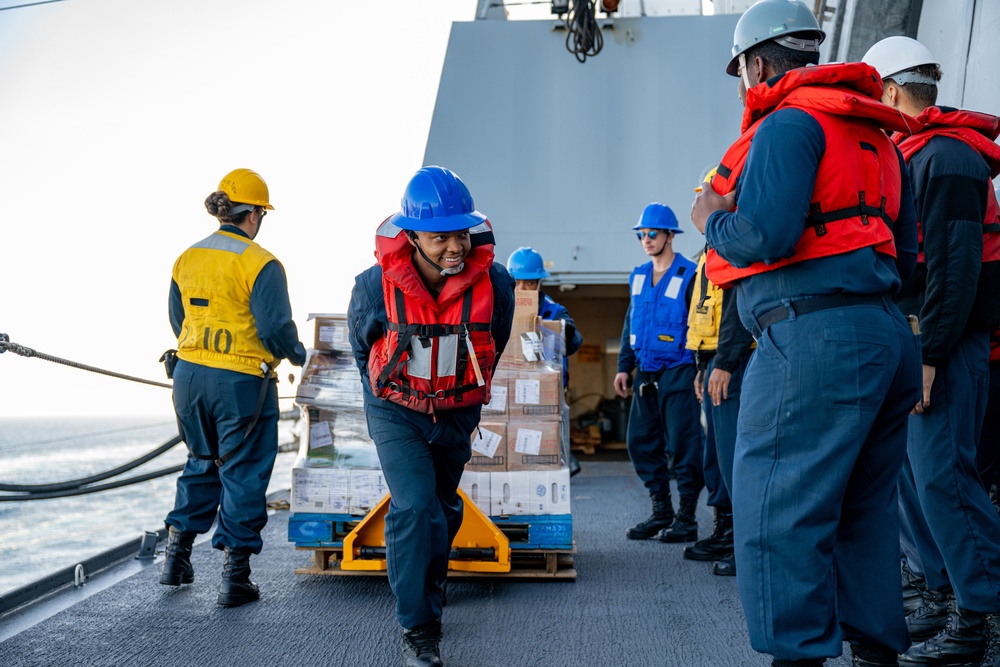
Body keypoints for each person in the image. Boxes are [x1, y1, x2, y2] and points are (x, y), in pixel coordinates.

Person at [690, 2, 921, 665]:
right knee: (865, 511)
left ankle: (799, 656)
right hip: (884, 335)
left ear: (758, 65)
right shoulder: (878, 138)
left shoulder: (788, 127)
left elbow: (765, 236)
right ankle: (877, 654)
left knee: (776, 510)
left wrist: (710, 217)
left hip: (811, 341)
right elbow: (903, 257)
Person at [863, 36, 1000, 667]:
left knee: (946, 478)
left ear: (890, 91)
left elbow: (952, 272)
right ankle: (947, 595)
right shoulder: (922, 154)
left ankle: (977, 618)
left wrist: (929, 353)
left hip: (943, 342)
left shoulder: (945, 158)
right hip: (923, 337)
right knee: (916, 477)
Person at [348, 166, 515, 667]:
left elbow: (495, 342)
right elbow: (363, 348)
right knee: (415, 507)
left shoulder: (498, 283)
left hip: (457, 412)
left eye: (461, 234)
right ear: (412, 237)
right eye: (439, 237)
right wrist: (391, 399)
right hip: (396, 411)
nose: (454, 248)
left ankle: (430, 592)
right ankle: (418, 627)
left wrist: (458, 397)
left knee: (442, 510)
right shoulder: (373, 285)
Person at [161, 168, 306, 608]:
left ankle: (175, 559)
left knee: (201, 460)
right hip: (241, 382)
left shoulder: (188, 257)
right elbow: (276, 327)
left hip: (188, 378)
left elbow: (177, 319)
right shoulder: (260, 262)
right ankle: (234, 578)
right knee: (242, 472)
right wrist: (300, 356)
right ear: (255, 214)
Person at [615, 202, 705, 544]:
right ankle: (662, 510)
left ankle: (687, 518)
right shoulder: (638, 276)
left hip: (679, 372)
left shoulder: (689, 274)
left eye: (653, 233)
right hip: (645, 374)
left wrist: (701, 368)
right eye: (642, 234)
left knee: (683, 447)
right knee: (640, 442)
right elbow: (630, 323)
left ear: (670, 236)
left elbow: (698, 323)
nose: (646, 239)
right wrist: (624, 366)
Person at [681, 181, 756, 576]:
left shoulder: (732, 248)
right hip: (713, 363)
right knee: (717, 458)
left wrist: (724, 363)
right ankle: (727, 530)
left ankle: (744, 543)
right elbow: (702, 315)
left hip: (732, 363)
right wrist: (701, 366)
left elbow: (737, 312)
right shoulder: (708, 253)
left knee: (733, 457)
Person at [506, 246, 584, 475]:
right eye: (517, 283)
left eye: (529, 283)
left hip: (548, 390)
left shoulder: (554, 311)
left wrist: (561, 331)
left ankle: (560, 462)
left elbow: (575, 341)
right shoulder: (502, 308)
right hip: (512, 389)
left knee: (548, 439)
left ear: (539, 284)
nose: (522, 289)